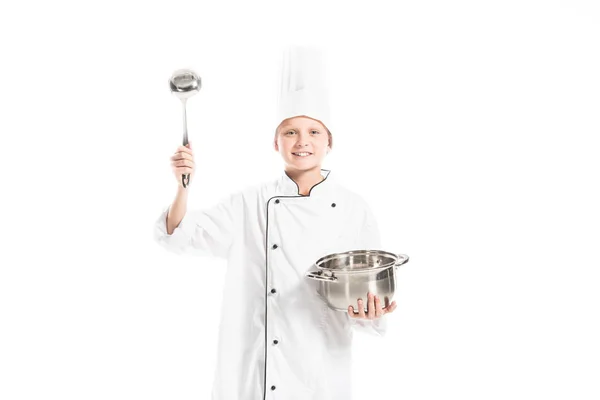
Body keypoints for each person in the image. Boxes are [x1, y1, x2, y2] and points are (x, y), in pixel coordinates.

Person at [154, 45, 397, 400]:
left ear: (329, 141)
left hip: (320, 375)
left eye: (313, 132)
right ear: (275, 142)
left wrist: (371, 311)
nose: (302, 142)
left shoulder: (352, 209)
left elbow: (367, 303)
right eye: (290, 132)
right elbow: (180, 236)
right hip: (254, 376)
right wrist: (182, 187)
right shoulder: (249, 203)